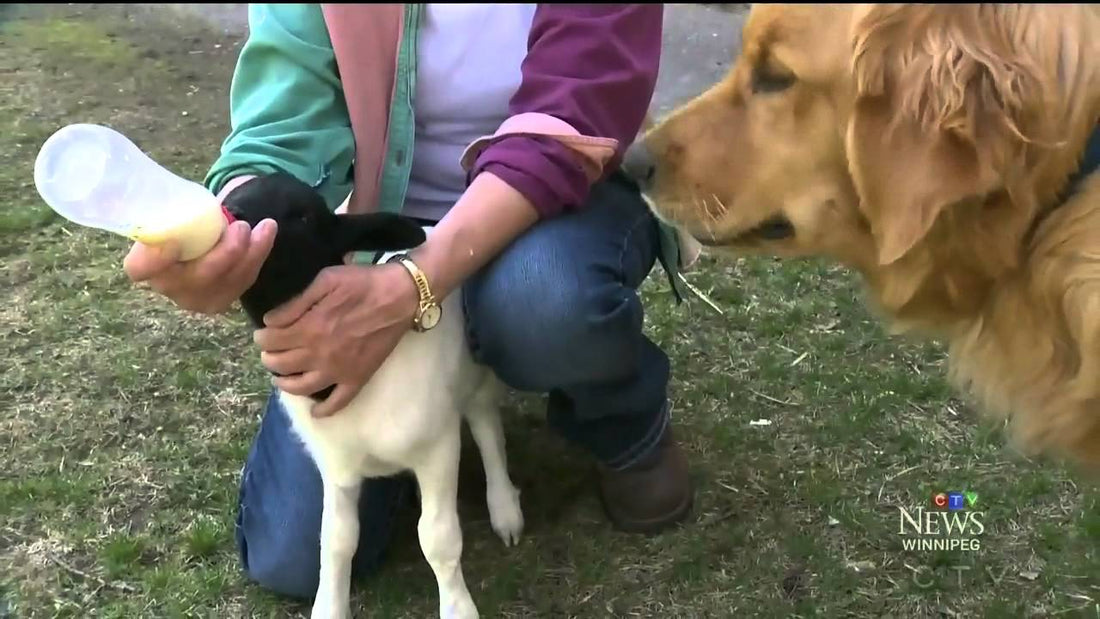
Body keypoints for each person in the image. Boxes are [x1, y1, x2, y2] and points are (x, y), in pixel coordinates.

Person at [122, 3, 696, 600]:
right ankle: (437, 406)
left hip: (560, 203)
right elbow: (280, 126)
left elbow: (581, 101)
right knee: (290, 559)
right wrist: (236, 232)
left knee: (543, 300)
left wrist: (415, 281)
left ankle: (624, 422)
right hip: (387, 225)